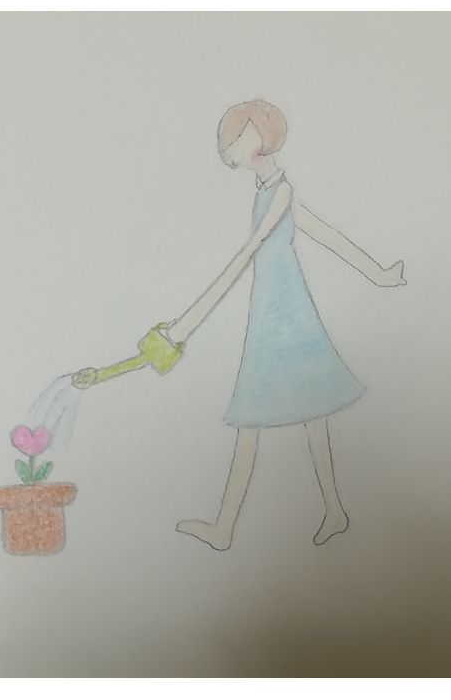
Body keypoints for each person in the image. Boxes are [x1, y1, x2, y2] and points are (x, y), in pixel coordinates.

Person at [165, 99, 406, 551]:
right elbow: (325, 234)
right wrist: (378, 274)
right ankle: (327, 510)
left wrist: (187, 323)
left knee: (263, 415)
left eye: (236, 138)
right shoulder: (272, 191)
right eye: (229, 142)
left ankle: (231, 526)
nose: (229, 149)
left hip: (283, 316)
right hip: (275, 311)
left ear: (261, 137)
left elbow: (250, 253)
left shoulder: (279, 193)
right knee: (301, 412)